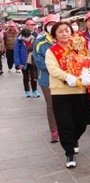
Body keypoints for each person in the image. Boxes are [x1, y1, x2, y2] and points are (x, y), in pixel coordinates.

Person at [45, 22, 90, 168]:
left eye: (67, 30)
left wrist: (88, 73)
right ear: (55, 35)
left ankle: (74, 139)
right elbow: (53, 69)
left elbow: (89, 62)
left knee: (83, 120)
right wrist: (68, 77)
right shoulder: (52, 51)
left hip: (80, 89)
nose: (65, 33)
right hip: (61, 91)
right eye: (60, 32)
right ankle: (69, 152)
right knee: (65, 122)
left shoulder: (78, 46)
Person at [33, 14, 60, 142]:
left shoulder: (64, 38)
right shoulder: (40, 41)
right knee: (51, 105)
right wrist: (54, 68)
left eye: (55, 24)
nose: (52, 27)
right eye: (50, 24)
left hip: (63, 78)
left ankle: (63, 127)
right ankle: (54, 131)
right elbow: (38, 60)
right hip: (46, 78)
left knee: (62, 104)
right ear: (45, 27)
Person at [14, 28, 40, 97]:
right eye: (25, 37)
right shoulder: (18, 41)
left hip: (33, 61)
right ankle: (27, 91)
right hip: (23, 62)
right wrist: (18, 64)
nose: (27, 38)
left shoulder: (35, 40)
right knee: (25, 77)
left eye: (28, 36)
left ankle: (34, 90)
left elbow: (37, 50)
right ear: (22, 36)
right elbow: (16, 53)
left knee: (34, 76)